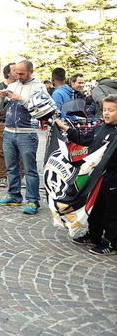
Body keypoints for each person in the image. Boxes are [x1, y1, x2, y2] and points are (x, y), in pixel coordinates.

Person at [55, 94, 117, 255]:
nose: (106, 113)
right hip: (95, 177)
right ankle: (94, 235)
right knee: (95, 207)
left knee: (111, 211)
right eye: (105, 110)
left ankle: (112, 242)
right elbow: (84, 139)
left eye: (111, 110)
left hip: (112, 179)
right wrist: (66, 129)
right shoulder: (101, 127)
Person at [0, 60, 44, 214]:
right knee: (11, 166)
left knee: (30, 169)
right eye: (16, 72)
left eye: (22, 73)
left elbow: (41, 110)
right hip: (9, 132)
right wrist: (1, 97)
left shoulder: (39, 87)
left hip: (27, 132)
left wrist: (20, 98)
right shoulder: (12, 85)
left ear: (31, 72)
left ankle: (33, 200)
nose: (18, 76)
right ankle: (14, 195)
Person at [0, 63, 21, 188]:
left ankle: (20, 176)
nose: (17, 73)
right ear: (8, 73)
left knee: (20, 152)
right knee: (1, 152)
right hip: (2, 123)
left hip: (18, 123)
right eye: (15, 70)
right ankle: (2, 176)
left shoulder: (21, 86)